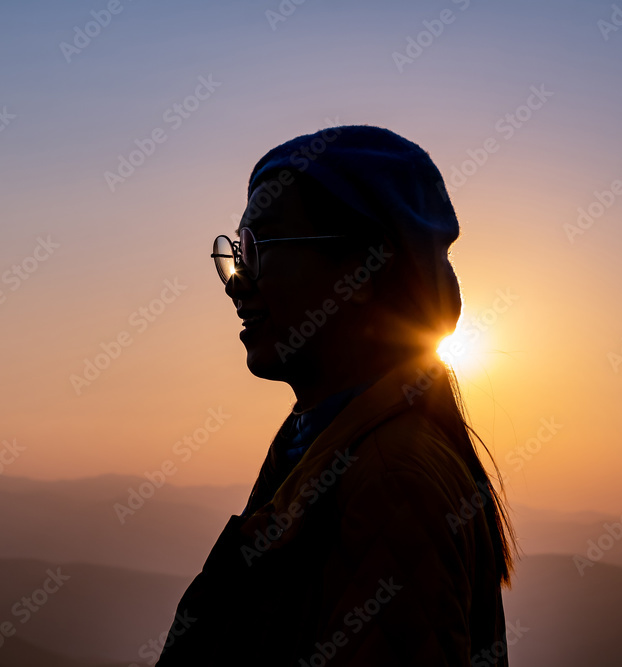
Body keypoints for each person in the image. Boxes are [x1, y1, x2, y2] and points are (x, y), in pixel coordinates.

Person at [156, 125, 516, 666]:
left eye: (257, 249)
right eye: (234, 252)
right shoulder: (318, 444)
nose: (236, 282)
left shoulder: (393, 479)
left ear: (363, 268)